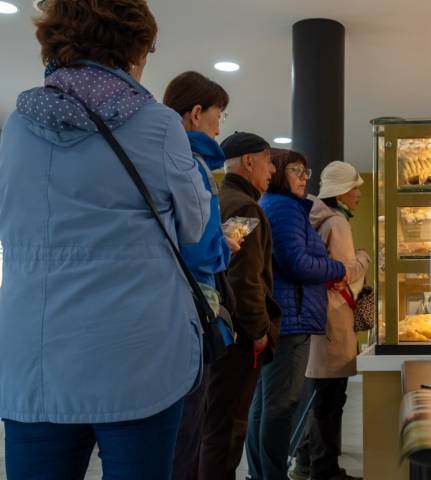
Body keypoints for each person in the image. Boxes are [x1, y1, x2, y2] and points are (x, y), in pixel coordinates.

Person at [0, 1, 209, 479]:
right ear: (133, 48)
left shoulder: (16, 129)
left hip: (35, 360)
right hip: (136, 358)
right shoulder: (158, 126)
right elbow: (195, 228)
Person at [247, 150, 347, 480]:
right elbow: (296, 262)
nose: (305, 177)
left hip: (285, 315)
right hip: (291, 318)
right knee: (280, 407)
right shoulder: (286, 208)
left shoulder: (278, 206)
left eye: (307, 170)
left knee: (265, 405)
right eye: (297, 170)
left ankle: (262, 473)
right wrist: (338, 267)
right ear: (276, 172)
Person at [163, 71, 236, 480]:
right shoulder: (192, 167)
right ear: (195, 114)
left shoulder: (154, 155)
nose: (219, 125)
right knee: (185, 438)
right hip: (188, 317)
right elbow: (202, 250)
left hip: (156, 314)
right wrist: (224, 245)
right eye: (218, 114)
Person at [198, 131, 282, 480]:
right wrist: (257, 330)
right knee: (227, 431)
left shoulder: (220, 197)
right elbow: (244, 276)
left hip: (218, 329)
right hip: (238, 339)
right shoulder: (245, 207)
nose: (272, 171)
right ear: (249, 161)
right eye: (268, 161)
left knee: (213, 426)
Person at [290, 161, 370, 480]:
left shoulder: (316, 217)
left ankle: (305, 461)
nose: (359, 194)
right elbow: (343, 272)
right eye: (355, 187)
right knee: (330, 398)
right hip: (334, 316)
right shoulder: (338, 224)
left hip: (317, 313)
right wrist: (364, 259)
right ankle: (325, 470)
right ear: (342, 192)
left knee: (319, 394)